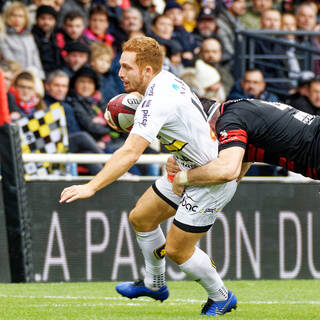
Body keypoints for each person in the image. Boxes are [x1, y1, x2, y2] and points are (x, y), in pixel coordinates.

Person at [59, 36, 238, 316]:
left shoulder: (157, 98)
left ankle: (222, 296)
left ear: (147, 71)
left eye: (127, 67)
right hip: (184, 167)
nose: (120, 73)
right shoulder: (166, 80)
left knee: (179, 251)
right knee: (141, 217)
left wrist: (91, 187)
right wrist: (177, 153)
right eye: (120, 66)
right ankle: (155, 285)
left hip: (209, 178)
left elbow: (130, 153)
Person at [170, 97, 320, 197]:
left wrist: (182, 177)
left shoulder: (228, 121)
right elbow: (233, 176)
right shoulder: (236, 110)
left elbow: (227, 170)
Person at [44, 69, 104, 175]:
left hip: (70, 146)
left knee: (88, 155)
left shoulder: (67, 105)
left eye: (64, 86)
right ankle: (113, 165)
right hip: (51, 147)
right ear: (47, 86)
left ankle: (112, 180)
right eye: (56, 86)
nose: (60, 90)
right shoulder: (43, 104)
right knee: (82, 137)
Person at [0, 1, 45, 79]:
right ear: (7, 17)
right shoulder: (3, 37)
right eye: (13, 15)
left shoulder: (29, 37)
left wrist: (40, 76)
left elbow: (36, 59)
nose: (17, 19)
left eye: (20, 16)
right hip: (14, 75)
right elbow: (10, 60)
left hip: (31, 75)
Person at [31, 5, 62, 75]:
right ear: (36, 20)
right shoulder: (31, 36)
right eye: (43, 18)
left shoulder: (56, 36)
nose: (46, 22)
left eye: (50, 19)